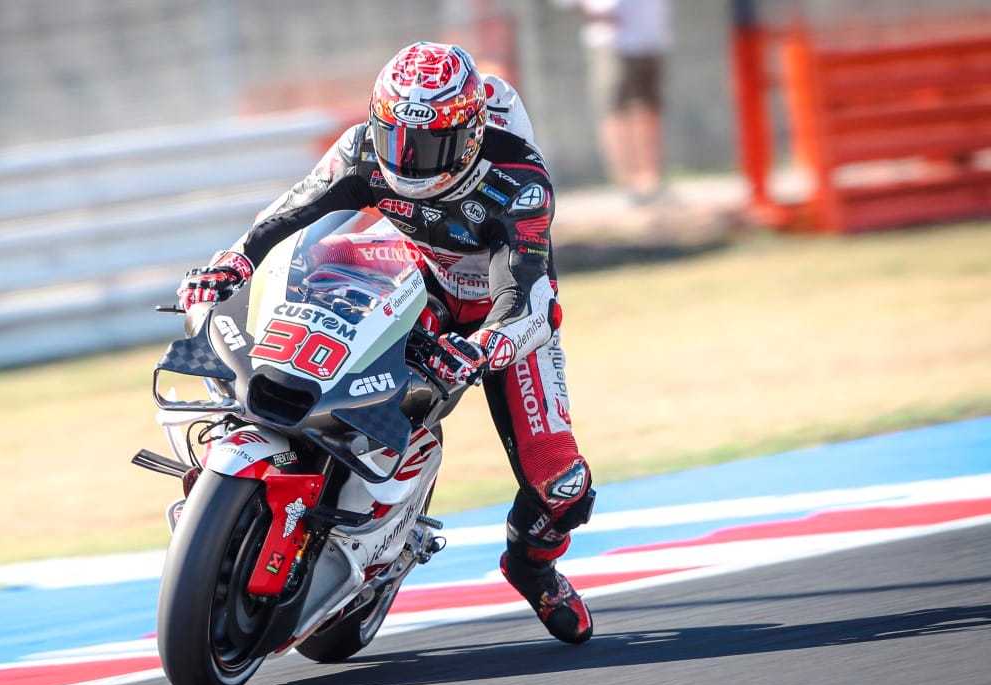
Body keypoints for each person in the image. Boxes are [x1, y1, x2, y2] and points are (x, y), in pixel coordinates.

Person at [176, 42, 596, 644]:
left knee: (562, 486)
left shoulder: (519, 185)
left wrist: (480, 348)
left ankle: (532, 566)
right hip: (404, 276)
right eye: (396, 138)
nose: (409, 159)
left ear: (470, 135)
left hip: (496, 318)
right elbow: (287, 214)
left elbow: (528, 297)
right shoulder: (361, 149)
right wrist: (234, 262)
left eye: (429, 147)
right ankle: (260, 466)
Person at [558, 0, 671, 203]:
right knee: (617, 112)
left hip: (652, 37)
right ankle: (628, 183)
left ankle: (651, 180)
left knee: (648, 110)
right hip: (611, 41)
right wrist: (593, 10)